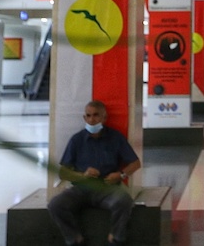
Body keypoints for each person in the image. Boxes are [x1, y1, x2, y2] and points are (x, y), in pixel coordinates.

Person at [48, 100, 142, 246]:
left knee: (124, 201)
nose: (92, 120)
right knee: (55, 204)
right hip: (81, 189)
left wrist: (121, 175)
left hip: (107, 188)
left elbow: (135, 163)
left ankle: (116, 238)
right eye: (89, 116)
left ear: (104, 117)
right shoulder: (77, 140)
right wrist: (83, 175)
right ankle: (74, 239)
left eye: (96, 116)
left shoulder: (115, 138)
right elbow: (63, 173)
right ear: (84, 118)